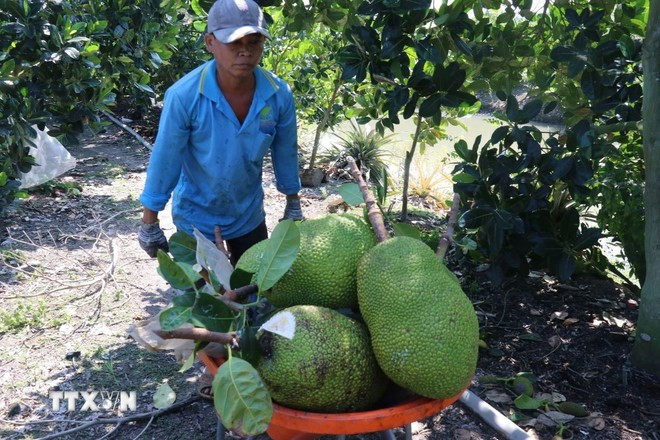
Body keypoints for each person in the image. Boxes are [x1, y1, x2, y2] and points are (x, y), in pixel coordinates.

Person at [137, 0, 303, 265]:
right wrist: (149, 222)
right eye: (234, 43)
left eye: (254, 42)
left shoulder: (278, 94)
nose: (245, 52)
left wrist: (292, 202)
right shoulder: (184, 96)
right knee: (204, 297)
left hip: (247, 213)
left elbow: (286, 152)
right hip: (196, 215)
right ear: (210, 43)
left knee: (254, 293)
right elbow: (165, 160)